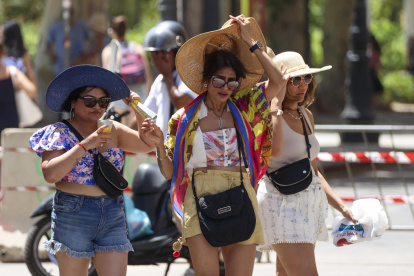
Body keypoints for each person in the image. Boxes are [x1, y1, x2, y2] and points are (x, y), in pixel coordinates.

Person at [148, 15, 285, 275]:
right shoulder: (183, 120)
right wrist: (157, 145)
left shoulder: (245, 106)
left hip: (241, 191)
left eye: (232, 81)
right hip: (199, 197)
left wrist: (251, 42)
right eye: (218, 80)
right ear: (205, 80)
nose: (225, 87)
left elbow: (278, 82)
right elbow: (169, 172)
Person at [29, 64, 158, 276]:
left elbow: (148, 144)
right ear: (73, 102)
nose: (97, 106)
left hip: (112, 210)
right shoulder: (58, 132)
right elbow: (50, 174)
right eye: (89, 101)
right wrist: (85, 145)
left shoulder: (112, 129)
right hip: (73, 211)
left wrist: (137, 108)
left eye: (103, 101)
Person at [256, 51, 357, 275]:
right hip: (280, 203)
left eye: (307, 78)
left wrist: (341, 206)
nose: (303, 85)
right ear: (281, 83)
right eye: (295, 80)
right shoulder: (269, 115)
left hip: (307, 204)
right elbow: (277, 151)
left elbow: (312, 169)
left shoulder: (306, 115)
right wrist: (276, 104)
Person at [130, 20, 197, 136]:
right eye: (154, 53)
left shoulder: (189, 75)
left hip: (186, 149)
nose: (156, 59)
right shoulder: (160, 81)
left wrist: (167, 75)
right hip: (165, 150)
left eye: (163, 52)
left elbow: (182, 102)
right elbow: (145, 115)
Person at [0, 26, 37, 136]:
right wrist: (28, 65)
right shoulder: (12, 73)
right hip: (9, 138)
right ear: (3, 52)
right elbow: (32, 91)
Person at [46, 6, 92, 76]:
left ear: (72, 14)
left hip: (78, 68)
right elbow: (48, 43)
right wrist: (52, 54)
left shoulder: (81, 26)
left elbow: (92, 40)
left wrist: (86, 55)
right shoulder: (55, 27)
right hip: (60, 69)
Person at [2, 20, 37, 86]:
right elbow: (31, 75)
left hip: (20, 91)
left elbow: (31, 74)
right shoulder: (23, 53)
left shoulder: (23, 53)